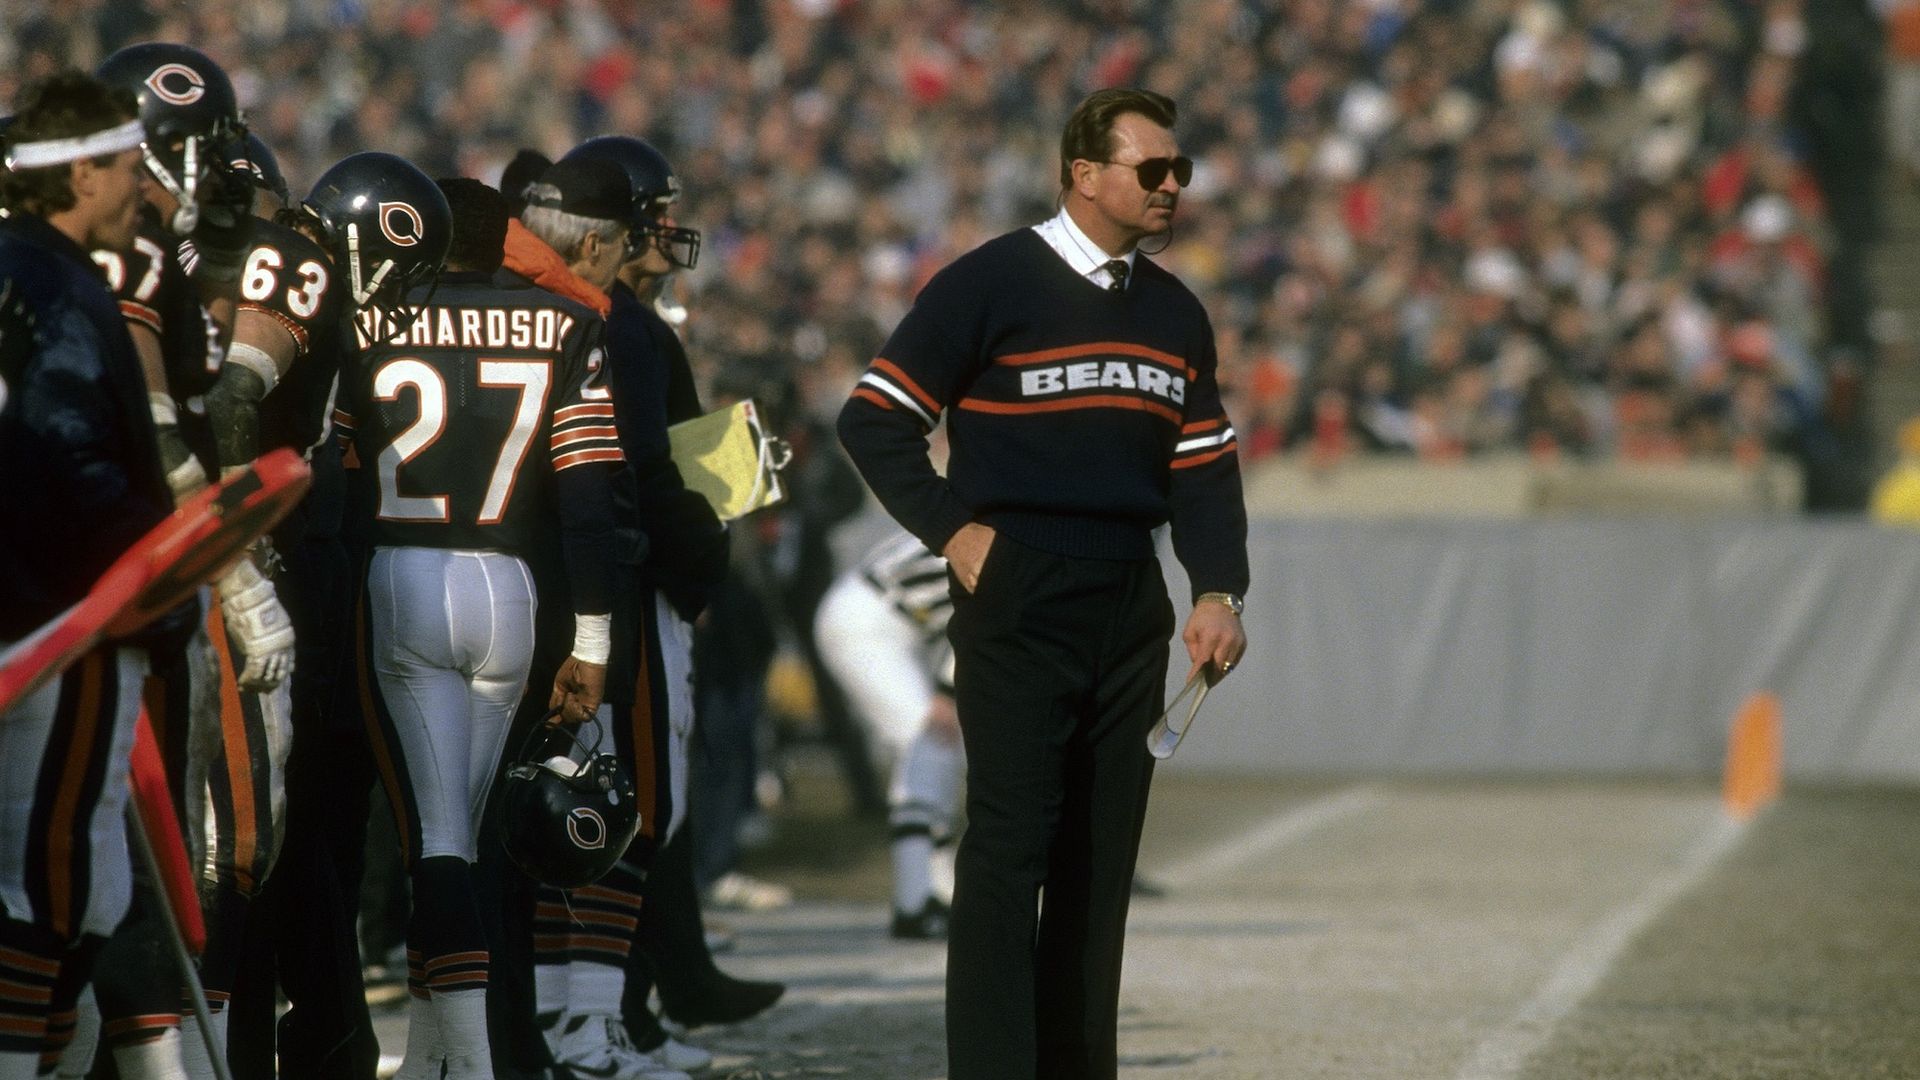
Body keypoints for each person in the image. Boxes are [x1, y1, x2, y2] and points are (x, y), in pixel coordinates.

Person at [836, 87, 1250, 1080]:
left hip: (1127, 595)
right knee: (1009, 847)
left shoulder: (1175, 310)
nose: (1171, 187)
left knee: (1100, 862)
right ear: (1085, 175)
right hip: (1016, 591)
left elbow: (1204, 466)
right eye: (1153, 170)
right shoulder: (991, 282)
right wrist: (954, 532)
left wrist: (1218, 591)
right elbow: (872, 418)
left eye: (1179, 171)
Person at [336, 171, 623, 1080]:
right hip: (511, 591)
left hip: (405, 575)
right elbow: (590, 499)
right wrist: (594, 642)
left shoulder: (370, 318)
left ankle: (469, 1063)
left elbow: (334, 478)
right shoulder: (567, 322)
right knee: (459, 830)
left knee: (440, 845)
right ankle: (430, 1059)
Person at [0, 70, 181, 1080]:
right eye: (124, 169)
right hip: (62, 624)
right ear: (76, 176)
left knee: (78, 892)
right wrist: (159, 589)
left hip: (32, 613)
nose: (142, 191)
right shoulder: (61, 286)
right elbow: (71, 454)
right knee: (55, 890)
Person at [813, 530, 964, 940]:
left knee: (938, 752)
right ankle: (915, 903)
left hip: (881, 616)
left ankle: (940, 892)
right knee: (929, 745)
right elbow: (981, 612)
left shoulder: (984, 507)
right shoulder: (1006, 531)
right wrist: (947, 692)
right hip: (871, 619)